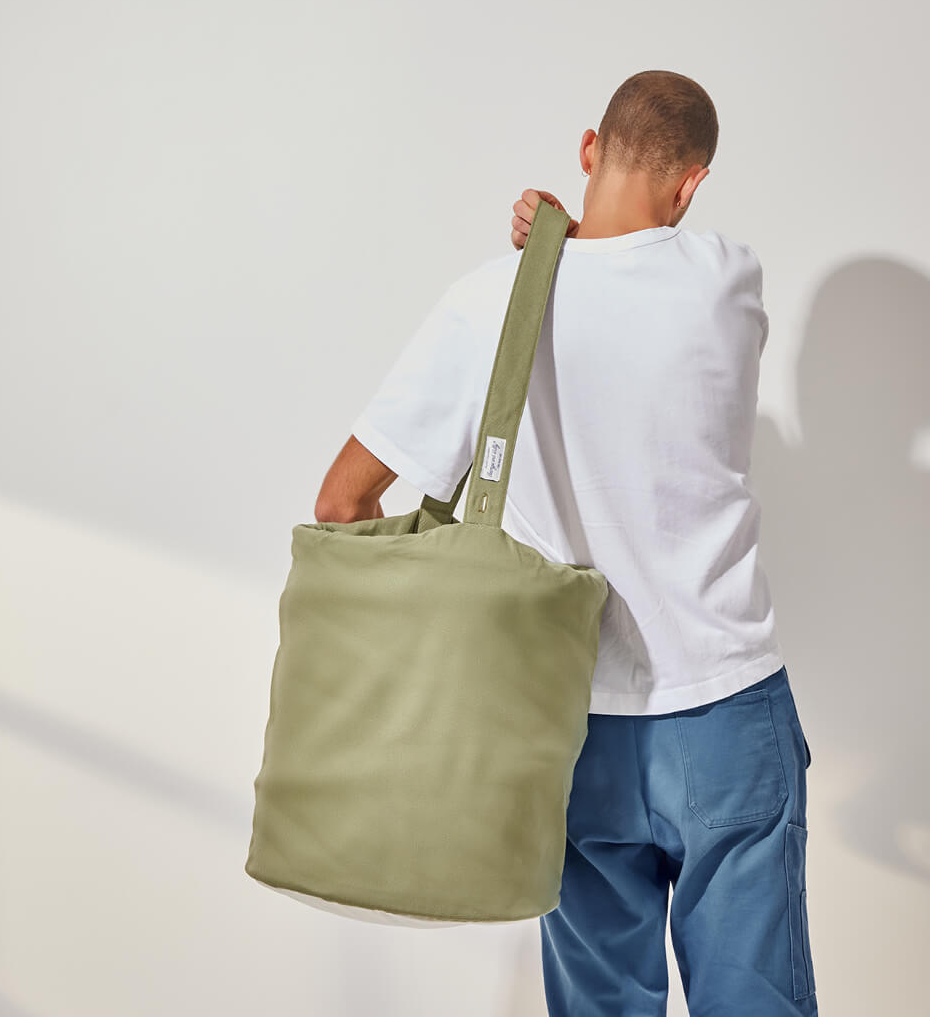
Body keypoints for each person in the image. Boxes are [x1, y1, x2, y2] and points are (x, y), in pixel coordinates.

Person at [314, 69, 818, 1016]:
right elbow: (633, 272)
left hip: (567, 721)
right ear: (692, 184)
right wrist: (566, 240)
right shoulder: (729, 282)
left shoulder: (490, 302)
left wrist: (545, 247)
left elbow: (341, 503)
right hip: (727, 711)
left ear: (589, 148)